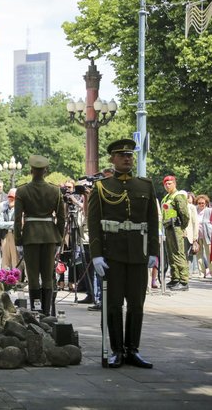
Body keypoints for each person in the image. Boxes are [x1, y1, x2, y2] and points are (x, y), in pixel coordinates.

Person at [87, 138, 159, 369]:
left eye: (130, 155)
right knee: (114, 304)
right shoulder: (102, 187)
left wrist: (153, 252)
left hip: (138, 252)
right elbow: (94, 222)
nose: (127, 158)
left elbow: (152, 221)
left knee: (137, 304)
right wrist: (96, 254)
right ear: (112, 159)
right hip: (112, 254)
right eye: (122, 155)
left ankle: (133, 349)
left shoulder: (145, 186)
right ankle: (117, 349)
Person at [14, 155, 65, 314]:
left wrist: (18, 238)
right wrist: (59, 237)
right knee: (48, 276)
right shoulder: (55, 190)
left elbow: (17, 218)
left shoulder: (22, 191)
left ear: (31, 170)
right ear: (45, 171)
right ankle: (46, 311)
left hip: (30, 236)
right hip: (50, 236)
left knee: (33, 276)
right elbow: (61, 218)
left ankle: (35, 310)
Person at [162, 175, 190, 291]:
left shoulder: (178, 196)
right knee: (171, 254)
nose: (168, 185)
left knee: (179, 254)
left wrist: (182, 227)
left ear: (175, 184)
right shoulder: (167, 197)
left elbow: (185, 214)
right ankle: (175, 278)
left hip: (176, 227)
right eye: (166, 184)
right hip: (168, 227)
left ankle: (184, 281)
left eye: (170, 183)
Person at [195, 194, 212, 278]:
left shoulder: (209, 211)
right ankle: (202, 273)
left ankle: (211, 271)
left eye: (203, 203)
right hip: (197, 236)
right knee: (199, 254)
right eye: (199, 203)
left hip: (207, 236)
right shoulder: (195, 210)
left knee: (209, 254)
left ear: (206, 203)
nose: (201, 204)